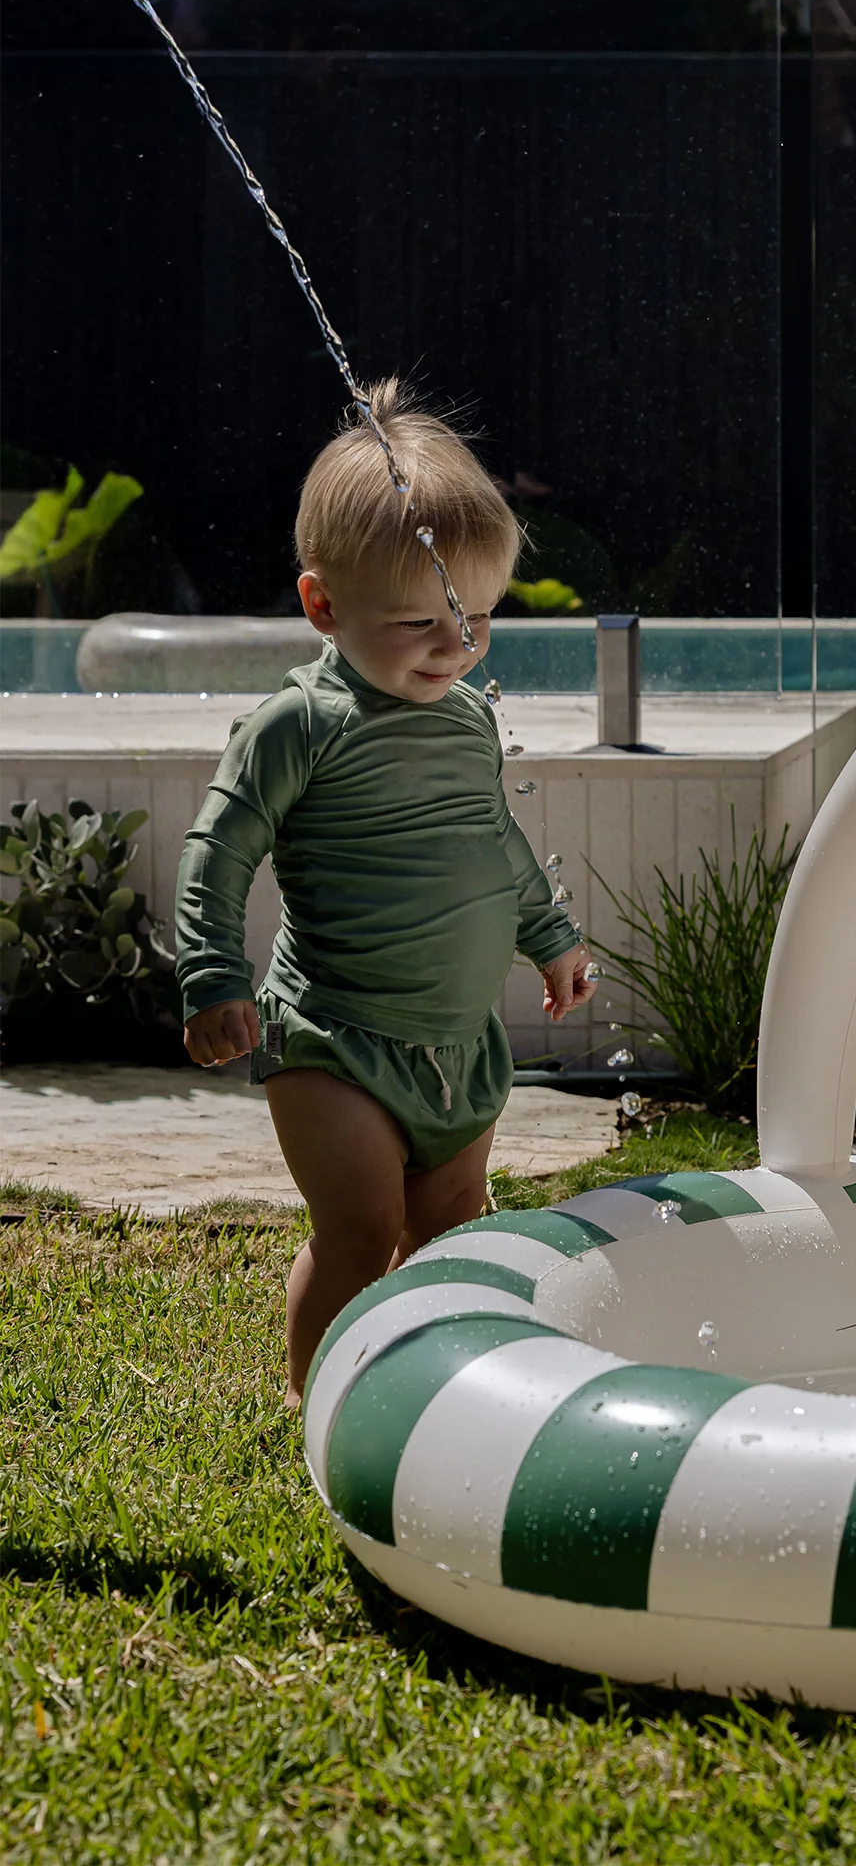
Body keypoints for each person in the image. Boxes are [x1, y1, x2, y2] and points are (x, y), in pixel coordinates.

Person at [176, 381, 594, 1408]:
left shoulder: (463, 714)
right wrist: (212, 973)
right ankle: (311, 1403)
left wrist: (548, 935)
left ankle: (430, 1400)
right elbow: (220, 847)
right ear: (323, 606)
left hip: (458, 1045)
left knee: (452, 1233)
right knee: (361, 1231)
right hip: (331, 1039)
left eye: (478, 618)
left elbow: (492, 839)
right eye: (420, 622)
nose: (457, 648)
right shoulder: (298, 724)